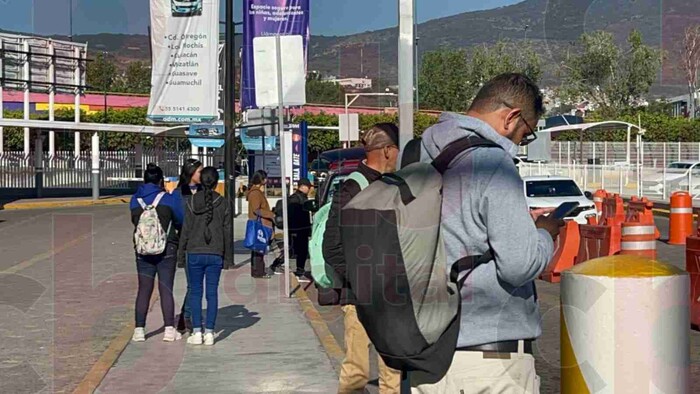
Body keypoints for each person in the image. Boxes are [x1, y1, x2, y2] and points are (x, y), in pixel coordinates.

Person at [411, 73, 563, 393]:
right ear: (511, 117)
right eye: (526, 135)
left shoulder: (417, 153)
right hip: (486, 362)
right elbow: (519, 265)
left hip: (423, 358)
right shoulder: (491, 162)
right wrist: (545, 233)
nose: (520, 144)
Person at [324, 123, 402, 393]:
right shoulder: (352, 188)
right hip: (360, 296)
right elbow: (331, 246)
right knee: (357, 371)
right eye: (398, 148)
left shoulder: (395, 185)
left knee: (392, 369)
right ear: (388, 150)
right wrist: (362, 282)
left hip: (391, 295)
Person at [129, 163, 184, 343]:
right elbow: (180, 219)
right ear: (161, 181)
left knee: (144, 289)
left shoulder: (135, 200)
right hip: (166, 248)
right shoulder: (169, 199)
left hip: (143, 249)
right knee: (165, 287)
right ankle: (169, 330)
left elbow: (134, 221)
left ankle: (139, 330)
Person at [178, 167, 232, 346]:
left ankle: (197, 331)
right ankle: (210, 332)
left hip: (193, 252)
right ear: (217, 183)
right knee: (212, 293)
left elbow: (185, 230)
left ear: (201, 181)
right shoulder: (223, 203)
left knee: (195, 293)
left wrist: (180, 254)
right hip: (215, 252)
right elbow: (227, 232)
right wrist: (227, 258)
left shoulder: (192, 201)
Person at [171, 159, 203, 334]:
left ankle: (187, 315)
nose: (202, 174)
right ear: (191, 173)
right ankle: (186, 316)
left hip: (202, 242)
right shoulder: (177, 194)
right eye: (199, 171)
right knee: (193, 284)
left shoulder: (204, 191)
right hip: (187, 242)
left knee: (196, 284)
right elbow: (176, 218)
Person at [247, 170, 274, 279]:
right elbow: (256, 210)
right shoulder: (255, 193)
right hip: (260, 224)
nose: (266, 180)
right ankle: (259, 271)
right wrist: (271, 214)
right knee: (259, 248)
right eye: (265, 178)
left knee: (258, 248)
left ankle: (257, 270)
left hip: (259, 223)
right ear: (261, 179)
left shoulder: (256, 192)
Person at [288, 178, 313, 281]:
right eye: (308, 187)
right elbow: (293, 216)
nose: (309, 189)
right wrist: (294, 231)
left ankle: (300, 270)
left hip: (303, 228)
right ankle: (299, 272)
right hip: (298, 229)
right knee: (299, 251)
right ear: (302, 186)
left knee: (302, 251)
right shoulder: (295, 199)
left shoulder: (302, 197)